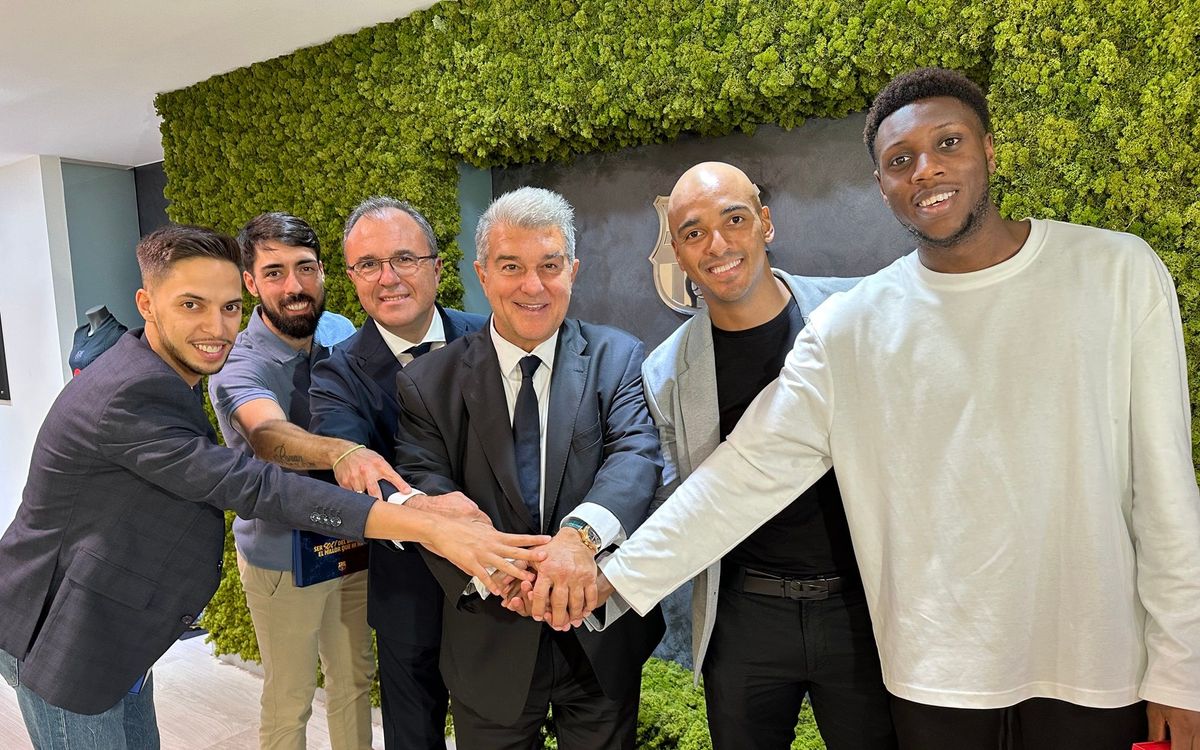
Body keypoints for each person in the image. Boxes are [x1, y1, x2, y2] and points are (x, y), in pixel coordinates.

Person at [594, 68, 1200, 749]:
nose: (926, 171)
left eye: (949, 143)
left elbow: (1165, 490)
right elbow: (741, 477)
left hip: (1095, 667)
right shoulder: (852, 326)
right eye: (900, 161)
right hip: (937, 678)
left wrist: (1181, 674)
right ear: (881, 185)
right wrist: (608, 579)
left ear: (989, 151)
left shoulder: (1117, 272)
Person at [0, 224, 549, 750]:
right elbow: (258, 478)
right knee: (290, 694)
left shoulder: (171, 369)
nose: (216, 327)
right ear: (147, 305)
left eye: (227, 308)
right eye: (191, 305)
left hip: (119, 622)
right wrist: (423, 520)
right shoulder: (133, 391)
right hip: (66, 631)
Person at [392, 187, 665, 749]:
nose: (532, 286)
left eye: (550, 266)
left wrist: (578, 540)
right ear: (482, 274)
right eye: (511, 266)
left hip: (599, 631)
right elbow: (426, 490)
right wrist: (500, 571)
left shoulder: (619, 358)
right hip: (489, 636)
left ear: (573, 270)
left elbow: (635, 456)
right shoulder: (426, 383)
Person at [641, 161, 893, 748]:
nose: (718, 245)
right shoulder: (665, 373)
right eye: (693, 232)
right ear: (677, 252)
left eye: (734, 219)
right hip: (745, 616)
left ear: (766, 223)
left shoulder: (854, 313)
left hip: (862, 606)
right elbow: (673, 502)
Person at [208, 212, 398, 750]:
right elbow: (268, 437)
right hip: (281, 553)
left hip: (353, 539)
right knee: (290, 698)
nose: (294, 287)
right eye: (274, 272)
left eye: (305, 268)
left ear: (323, 271)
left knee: (355, 680)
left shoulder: (343, 332)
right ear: (250, 282)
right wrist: (345, 452)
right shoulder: (237, 362)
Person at [309, 197, 487, 749]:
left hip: (501, 580)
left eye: (405, 259)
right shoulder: (335, 374)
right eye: (368, 264)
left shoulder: (495, 337)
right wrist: (430, 516)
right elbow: (353, 464)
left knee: (504, 729)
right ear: (352, 277)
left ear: (436, 266)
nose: (388, 278)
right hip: (409, 592)